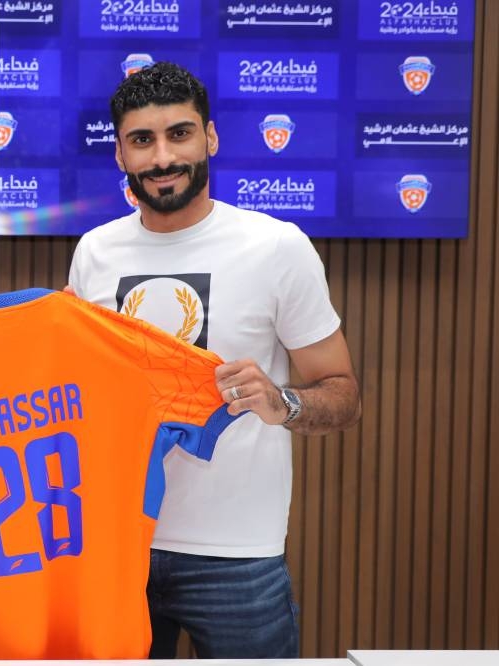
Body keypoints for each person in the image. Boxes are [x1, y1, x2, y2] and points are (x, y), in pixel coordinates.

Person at [69, 62, 362, 658]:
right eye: (141, 140)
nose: (162, 157)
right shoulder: (94, 251)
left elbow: (344, 394)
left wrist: (283, 402)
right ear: (120, 154)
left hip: (238, 559)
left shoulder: (276, 247)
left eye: (179, 134)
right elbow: (71, 385)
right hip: (118, 547)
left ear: (210, 137)